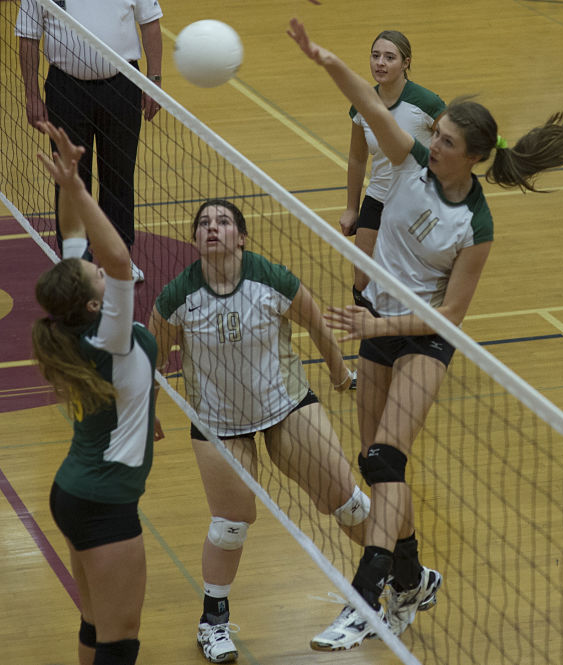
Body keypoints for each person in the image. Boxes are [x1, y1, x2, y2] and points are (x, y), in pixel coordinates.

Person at [288, 17, 563, 651]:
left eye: (446, 138)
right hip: (380, 322)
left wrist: (378, 322)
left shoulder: (475, 226)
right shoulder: (411, 162)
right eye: (437, 132)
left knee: (384, 458)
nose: (435, 140)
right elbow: (369, 105)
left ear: (471, 156)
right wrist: (325, 59)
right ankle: (412, 578)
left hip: (422, 334)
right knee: (379, 468)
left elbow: (450, 319)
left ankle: (366, 597)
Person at [149, 198, 371, 664]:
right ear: (194, 240)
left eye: (224, 222)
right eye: (204, 224)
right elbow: (150, 358)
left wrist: (338, 374)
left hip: (285, 405)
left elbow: (316, 323)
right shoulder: (177, 297)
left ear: (241, 237)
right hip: (218, 421)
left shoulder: (270, 278)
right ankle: (213, 623)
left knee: (345, 500)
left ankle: (396, 569)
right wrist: (148, 411)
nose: (213, 228)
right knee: (231, 524)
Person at [31, 121, 163, 665]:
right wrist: (84, 190)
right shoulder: (110, 334)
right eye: (95, 276)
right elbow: (114, 261)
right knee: (120, 640)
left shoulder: (78, 327)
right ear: (94, 304)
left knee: (95, 623)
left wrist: (69, 184)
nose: (99, 269)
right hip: (104, 504)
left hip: (77, 492)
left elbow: (78, 245)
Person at [16, 0, 163, 282]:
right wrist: (32, 95)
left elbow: (150, 22)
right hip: (66, 89)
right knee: (70, 180)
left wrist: (153, 81)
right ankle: (75, 262)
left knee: (119, 176)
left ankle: (118, 260)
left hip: (123, 85)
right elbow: (27, 37)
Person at [339, 30, 445, 302]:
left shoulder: (426, 103)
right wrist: (352, 208)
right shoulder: (363, 103)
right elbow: (357, 157)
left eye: (389, 57)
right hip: (378, 198)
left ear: (406, 63)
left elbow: (452, 147)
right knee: (362, 280)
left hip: (417, 204)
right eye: (375, 56)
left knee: (411, 282)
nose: (380, 63)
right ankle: (370, 339)